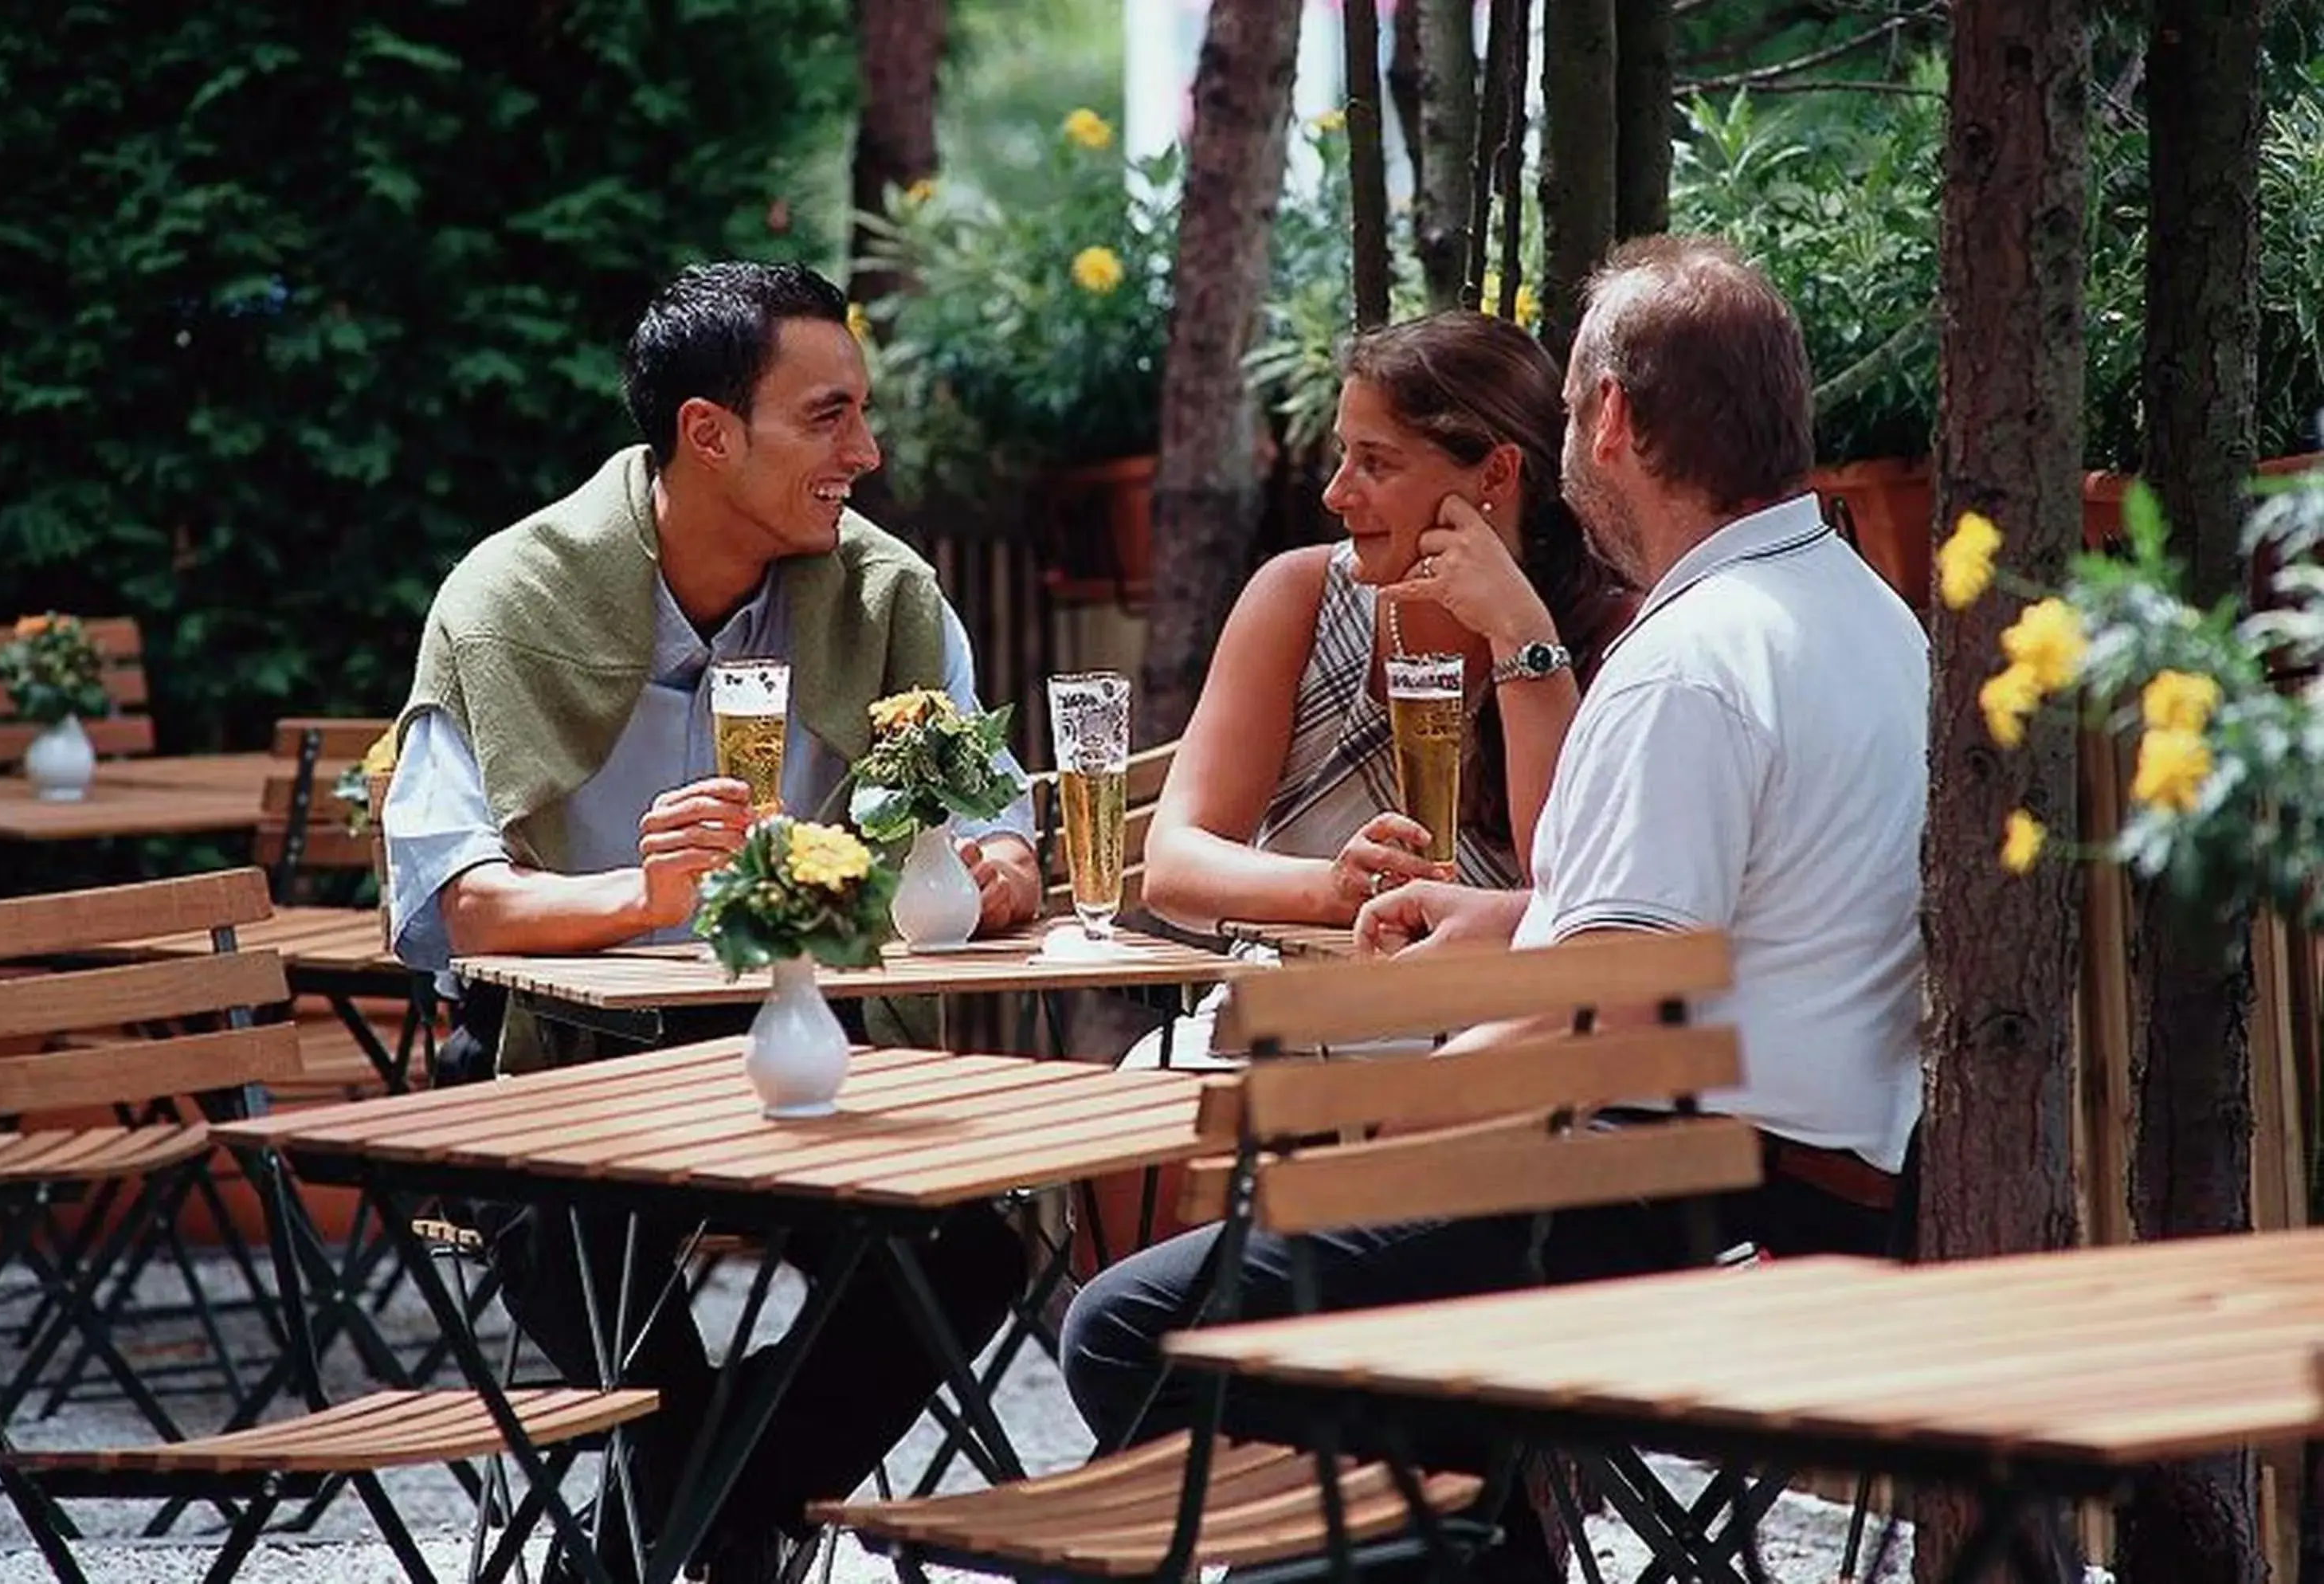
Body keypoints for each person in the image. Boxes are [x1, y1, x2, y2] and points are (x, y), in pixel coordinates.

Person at [1062, 237, 1926, 1580]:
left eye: (1580, 406)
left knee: (1128, 1330)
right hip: (1814, 1189)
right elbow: (1720, 934)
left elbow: (1611, 1015)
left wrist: (1357, 1121)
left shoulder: (1685, 665)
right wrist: (1515, 926)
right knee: (1377, 1398)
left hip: (1677, 1198)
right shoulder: (1867, 616)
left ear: (1620, 422)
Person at [382, 261, 1033, 1581]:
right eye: (829, 417)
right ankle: (717, 1510)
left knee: (970, 1252)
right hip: (565, 1067)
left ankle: (675, 1524)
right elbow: (453, 908)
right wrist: (644, 896)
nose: (869, 449)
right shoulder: (508, 599)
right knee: (567, 1232)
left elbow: (993, 822)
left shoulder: (890, 597)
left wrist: (1003, 864)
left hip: (816, 1047)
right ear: (707, 432)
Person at [1123, 310, 1635, 1068]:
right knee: (1141, 1120)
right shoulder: (1298, 598)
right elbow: (1173, 866)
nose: (1336, 493)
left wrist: (1523, 639)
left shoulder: (1610, 632)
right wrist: (1332, 888)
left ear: (1494, 475)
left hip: (1479, 1043)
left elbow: (1558, 889)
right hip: (1282, 1023)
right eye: (1342, 456)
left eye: (1377, 463)